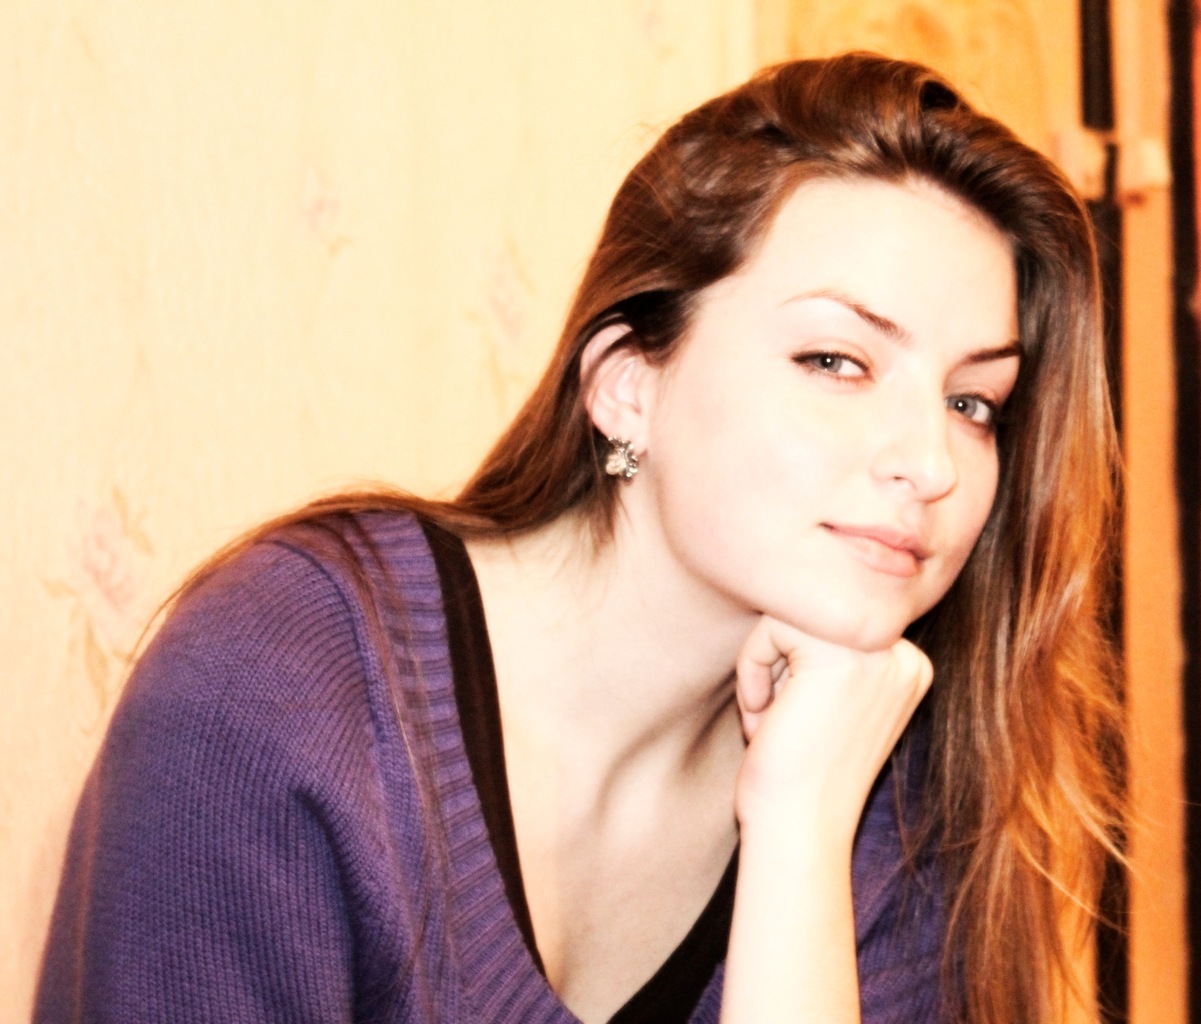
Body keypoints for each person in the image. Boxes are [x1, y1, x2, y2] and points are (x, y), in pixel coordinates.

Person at [35, 52, 1123, 1024]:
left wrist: (799, 831)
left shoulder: (879, 772)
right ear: (625, 385)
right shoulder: (283, 688)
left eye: (973, 403)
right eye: (836, 362)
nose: (930, 464)